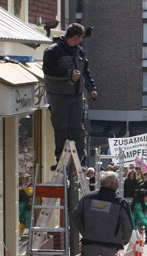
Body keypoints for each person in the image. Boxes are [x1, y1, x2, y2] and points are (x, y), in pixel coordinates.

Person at [43, 23, 97, 169]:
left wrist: (91, 88)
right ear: (76, 37)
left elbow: (86, 72)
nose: (81, 41)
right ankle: (61, 159)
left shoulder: (79, 52)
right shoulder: (53, 51)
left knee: (77, 128)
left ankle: (81, 158)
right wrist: (68, 75)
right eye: (80, 38)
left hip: (76, 96)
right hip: (58, 96)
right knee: (61, 128)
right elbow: (48, 71)